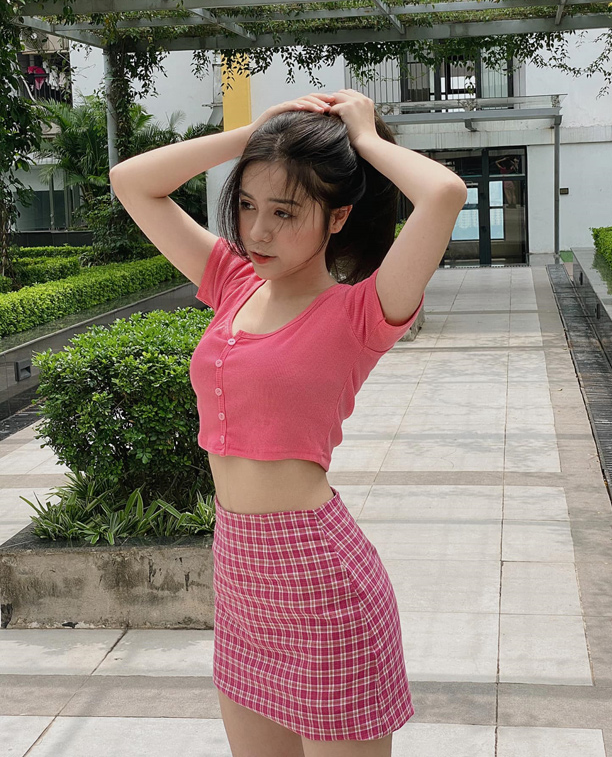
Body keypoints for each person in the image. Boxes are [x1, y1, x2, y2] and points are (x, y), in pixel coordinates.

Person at [110, 89, 467, 757]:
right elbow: (132, 181)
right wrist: (255, 132)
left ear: (337, 217)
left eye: (284, 212)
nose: (257, 232)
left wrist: (365, 137)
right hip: (238, 575)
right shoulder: (233, 282)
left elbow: (444, 194)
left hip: (321, 581)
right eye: (247, 205)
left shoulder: (361, 312)